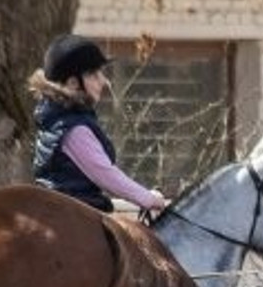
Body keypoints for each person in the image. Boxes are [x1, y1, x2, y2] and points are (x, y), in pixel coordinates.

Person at [29, 34, 168, 216]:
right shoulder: (73, 129)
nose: (104, 81)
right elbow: (105, 175)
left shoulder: (58, 119)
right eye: (93, 75)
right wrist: (149, 199)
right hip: (75, 216)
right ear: (72, 83)